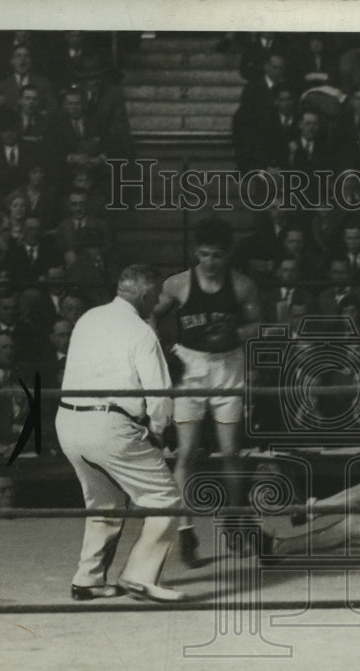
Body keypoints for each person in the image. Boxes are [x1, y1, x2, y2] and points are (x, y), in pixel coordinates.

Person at [56, 264, 185, 603]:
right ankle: (139, 578)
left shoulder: (89, 318)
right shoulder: (141, 331)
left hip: (68, 422)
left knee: (105, 502)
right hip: (109, 426)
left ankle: (88, 580)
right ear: (144, 295)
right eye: (155, 296)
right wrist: (159, 431)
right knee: (165, 500)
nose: (156, 302)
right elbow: (159, 394)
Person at [154, 218, 261, 567]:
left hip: (228, 366)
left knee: (231, 451)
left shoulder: (243, 286)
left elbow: (258, 324)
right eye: (203, 255)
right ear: (195, 253)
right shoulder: (179, 284)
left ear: (227, 254)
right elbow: (149, 315)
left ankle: (232, 518)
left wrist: (236, 334)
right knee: (186, 452)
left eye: (216, 255)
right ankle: (186, 531)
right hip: (190, 367)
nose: (210, 262)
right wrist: (161, 351)